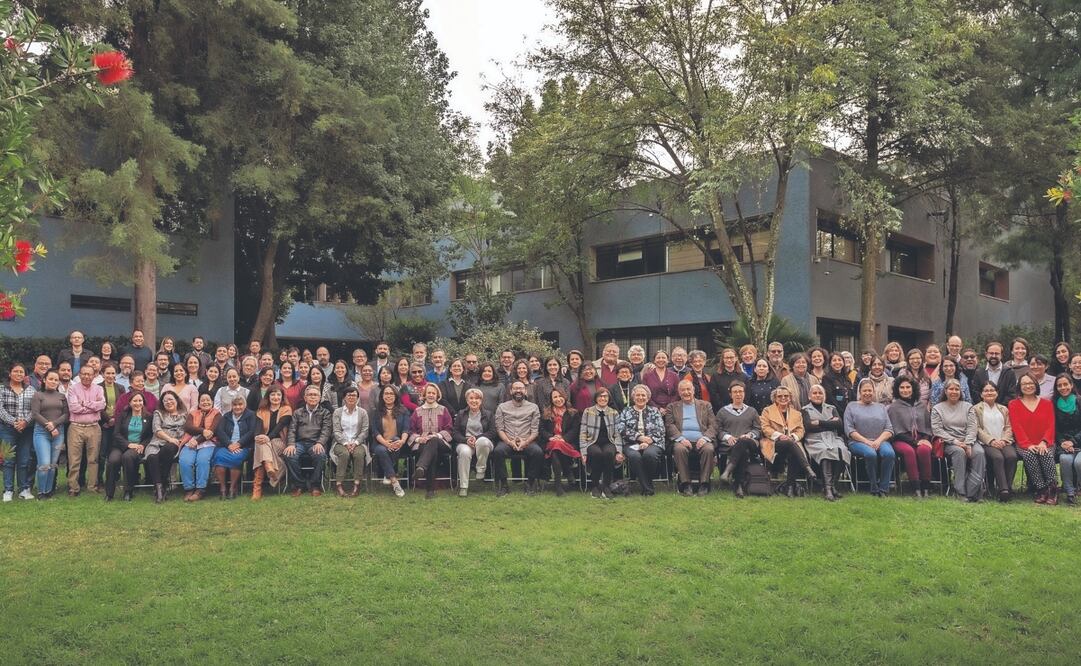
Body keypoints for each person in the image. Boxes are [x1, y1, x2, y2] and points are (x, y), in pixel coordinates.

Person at [1008, 372, 1058, 504]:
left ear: (1035, 385)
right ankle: (1041, 489)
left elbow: (1050, 425)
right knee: (1030, 455)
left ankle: (1052, 489)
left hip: (1046, 442)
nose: (1027, 386)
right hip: (1024, 443)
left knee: (1045, 453)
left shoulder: (1047, 403)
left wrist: (1044, 442)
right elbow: (1016, 427)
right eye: (1024, 383)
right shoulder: (1013, 404)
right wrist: (1028, 444)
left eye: (1030, 383)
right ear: (1019, 386)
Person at [932, 378, 984, 502]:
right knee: (959, 452)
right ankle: (960, 491)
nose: (954, 392)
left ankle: (974, 491)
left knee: (980, 453)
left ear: (961, 391)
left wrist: (968, 443)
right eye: (951, 389)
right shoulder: (937, 408)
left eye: (957, 389)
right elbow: (937, 430)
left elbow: (973, 427)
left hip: (968, 440)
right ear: (945, 391)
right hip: (949, 442)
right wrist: (955, 442)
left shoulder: (968, 407)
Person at [759, 385, 815, 497]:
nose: (783, 398)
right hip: (773, 442)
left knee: (793, 450)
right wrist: (780, 436)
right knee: (792, 445)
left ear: (790, 398)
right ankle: (807, 468)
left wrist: (793, 436)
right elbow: (765, 428)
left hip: (792, 442)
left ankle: (790, 487)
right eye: (780, 396)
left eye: (786, 396)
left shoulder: (797, 413)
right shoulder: (767, 411)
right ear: (775, 398)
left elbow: (800, 429)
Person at [844, 379, 895, 497]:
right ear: (860, 392)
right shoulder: (851, 406)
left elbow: (889, 429)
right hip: (857, 442)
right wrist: (867, 442)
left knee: (889, 454)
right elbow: (850, 430)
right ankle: (873, 486)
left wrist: (878, 441)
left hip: (879, 440)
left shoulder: (881, 407)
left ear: (874, 391)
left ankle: (884, 488)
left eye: (870, 390)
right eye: (864, 390)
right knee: (870, 454)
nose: (867, 393)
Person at [665, 380, 717, 496]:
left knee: (709, 449)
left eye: (689, 389)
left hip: (702, 439)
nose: (686, 392)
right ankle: (685, 483)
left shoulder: (705, 405)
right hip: (682, 440)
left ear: (693, 391)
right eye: (683, 390)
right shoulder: (672, 407)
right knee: (679, 449)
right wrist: (681, 439)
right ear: (679, 392)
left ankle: (704, 483)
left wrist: (705, 438)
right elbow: (669, 425)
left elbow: (713, 425)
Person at [492, 381, 543, 496]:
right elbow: (500, 429)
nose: (518, 391)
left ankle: (529, 483)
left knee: (538, 452)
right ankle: (504, 484)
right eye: (515, 388)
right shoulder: (502, 407)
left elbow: (535, 431)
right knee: (498, 452)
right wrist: (509, 442)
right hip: (507, 439)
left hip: (527, 440)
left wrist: (526, 441)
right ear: (511, 391)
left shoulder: (533, 407)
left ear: (525, 391)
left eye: (521, 388)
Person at [887, 377, 935, 498]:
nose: (905, 390)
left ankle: (926, 487)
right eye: (902, 387)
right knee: (909, 452)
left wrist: (924, 439)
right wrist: (915, 442)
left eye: (908, 387)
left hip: (920, 437)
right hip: (901, 439)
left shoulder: (921, 405)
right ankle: (916, 488)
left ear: (913, 388)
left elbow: (927, 426)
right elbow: (896, 431)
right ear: (897, 389)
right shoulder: (894, 407)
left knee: (924, 449)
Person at [802, 384, 850, 501]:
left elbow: (839, 424)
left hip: (833, 437)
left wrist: (819, 422)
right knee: (825, 451)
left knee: (842, 451)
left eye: (820, 393)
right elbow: (808, 426)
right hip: (814, 439)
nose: (817, 395)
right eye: (814, 393)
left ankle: (833, 486)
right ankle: (827, 488)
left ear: (824, 396)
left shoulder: (831, 408)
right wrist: (829, 423)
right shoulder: (805, 410)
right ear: (809, 396)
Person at [616, 384, 666, 496]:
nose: (640, 398)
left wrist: (648, 441)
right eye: (637, 395)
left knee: (650, 455)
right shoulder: (626, 411)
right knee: (635, 456)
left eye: (643, 395)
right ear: (633, 398)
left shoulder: (654, 411)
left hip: (653, 442)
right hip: (631, 443)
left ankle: (645, 484)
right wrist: (639, 437)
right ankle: (647, 487)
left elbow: (661, 429)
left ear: (648, 398)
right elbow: (621, 428)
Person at [715, 381, 762, 499]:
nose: (738, 394)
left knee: (743, 442)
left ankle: (727, 471)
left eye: (740, 391)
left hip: (750, 442)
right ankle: (739, 485)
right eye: (735, 392)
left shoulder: (752, 411)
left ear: (744, 394)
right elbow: (718, 430)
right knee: (743, 451)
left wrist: (749, 435)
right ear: (730, 394)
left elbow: (758, 429)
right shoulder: (722, 411)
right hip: (730, 444)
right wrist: (728, 437)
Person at [284, 385, 333, 497]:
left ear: (319, 398)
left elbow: (326, 430)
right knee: (289, 455)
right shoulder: (297, 412)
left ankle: (315, 485)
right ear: (305, 398)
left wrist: (320, 443)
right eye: (310, 395)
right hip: (300, 443)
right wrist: (291, 444)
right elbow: (292, 430)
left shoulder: (325, 413)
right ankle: (299, 484)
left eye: (315, 395)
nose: (312, 397)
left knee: (320, 455)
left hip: (316, 443)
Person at [106, 393, 154, 501]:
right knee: (113, 460)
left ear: (143, 402)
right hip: (120, 446)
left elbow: (151, 435)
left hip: (138, 447)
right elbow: (116, 434)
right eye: (135, 401)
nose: (138, 403)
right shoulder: (123, 415)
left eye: (140, 401)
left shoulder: (149, 417)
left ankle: (128, 491)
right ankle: (109, 493)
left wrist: (143, 445)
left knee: (127, 458)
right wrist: (128, 444)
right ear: (130, 403)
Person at [66, 365, 106, 496]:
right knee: (74, 459)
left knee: (93, 459)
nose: (86, 376)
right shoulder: (73, 388)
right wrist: (92, 406)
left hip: (94, 427)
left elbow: (102, 405)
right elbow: (73, 408)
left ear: (94, 375)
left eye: (89, 374)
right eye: (83, 374)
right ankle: (73, 487)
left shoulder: (99, 388)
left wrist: (84, 403)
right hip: (76, 427)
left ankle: (92, 486)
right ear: (79, 375)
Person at [578, 388, 623, 500]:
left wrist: (618, 451)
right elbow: (583, 432)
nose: (603, 398)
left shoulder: (614, 413)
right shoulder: (588, 411)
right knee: (596, 454)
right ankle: (595, 486)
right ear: (596, 398)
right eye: (600, 396)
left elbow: (617, 434)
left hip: (609, 442)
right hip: (592, 442)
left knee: (608, 454)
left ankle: (606, 486)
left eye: (605, 396)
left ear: (609, 399)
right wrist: (583, 452)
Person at [452, 388, 496, 497]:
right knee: (465, 452)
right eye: (471, 398)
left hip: (483, 442)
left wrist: (476, 438)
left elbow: (492, 432)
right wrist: (466, 440)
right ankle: (463, 486)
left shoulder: (488, 414)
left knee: (482, 441)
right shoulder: (461, 414)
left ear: (481, 401)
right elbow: (455, 433)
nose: (474, 401)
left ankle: (480, 469)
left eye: (477, 398)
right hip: (465, 442)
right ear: (467, 400)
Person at [29, 369, 67, 499]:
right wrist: (50, 426)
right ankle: (41, 492)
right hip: (41, 433)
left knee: (52, 464)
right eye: (50, 379)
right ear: (44, 380)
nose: (53, 381)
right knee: (44, 464)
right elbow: (35, 414)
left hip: (58, 433)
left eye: (56, 380)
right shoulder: (38, 395)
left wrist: (55, 424)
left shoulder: (62, 396)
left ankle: (48, 491)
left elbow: (67, 414)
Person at [0, 363, 35, 502]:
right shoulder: (2, 389)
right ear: (10, 373)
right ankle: (8, 490)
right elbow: (0, 410)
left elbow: (34, 410)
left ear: (25, 375)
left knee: (24, 460)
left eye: (21, 372)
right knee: (8, 460)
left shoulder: (31, 390)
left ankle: (23, 489)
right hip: (6, 429)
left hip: (26, 430)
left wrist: (25, 422)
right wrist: (14, 422)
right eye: (16, 371)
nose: (19, 374)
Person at [210, 396, 256, 500]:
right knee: (218, 458)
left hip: (243, 446)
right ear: (232, 406)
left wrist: (238, 444)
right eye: (235, 405)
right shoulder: (226, 416)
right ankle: (222, 488)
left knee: (236, 458)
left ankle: (232, 488)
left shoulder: (251, 415)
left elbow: (252, 432)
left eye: (240, 404)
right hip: (226, 446)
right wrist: (229, 444)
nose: (237, 407)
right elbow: (220, 432)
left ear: (245, 405)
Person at [539, 388, 581, 497]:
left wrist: (564, 438)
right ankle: (567, 471)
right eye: (555, 397)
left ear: (565, 397)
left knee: (555, 451)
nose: (558, 399)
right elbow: (542, 430)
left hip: (568, 442)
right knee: (555, 447)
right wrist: (550, 437)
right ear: (551, 400)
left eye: (560, 396)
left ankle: (558, 486)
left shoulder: (573, 413)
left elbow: (575, 430)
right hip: (551, 442)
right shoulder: (546, 413)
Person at [178, 392, 219, 502]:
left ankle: (200, 489)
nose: (205, 402)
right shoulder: (193, 413)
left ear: (212, 402)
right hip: (190, 441)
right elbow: (188, 427)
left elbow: (212, 431)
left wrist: (197, 440)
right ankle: (189, 488)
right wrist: (202, 431)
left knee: (202, 460)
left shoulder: (217, 414)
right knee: (185, 460)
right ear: (199, 403)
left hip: (208, 442)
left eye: (208, 400)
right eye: (203, 400)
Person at [252, 387, 291, 499]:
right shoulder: (261, 411)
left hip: (280, 441)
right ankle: (270, 466)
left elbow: (279, 427)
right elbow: (258, 428)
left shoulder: (286, 409)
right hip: (265, 442)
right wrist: (258, 437)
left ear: (282, 397)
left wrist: (267, 437)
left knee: (262, 446)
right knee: (261, 444)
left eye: (278, 395)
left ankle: (257, 488)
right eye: (273, 395)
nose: (276, 397)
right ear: (268, 397)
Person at [144, 390, 183, 503]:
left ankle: (162, 487)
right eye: (165, 400)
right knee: (152, 456)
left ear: (176, 400)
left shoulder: (184, 415)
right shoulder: (158, 413)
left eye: (171, 399)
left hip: (175, 443)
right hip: (157, 441)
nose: (168, 402)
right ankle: (160, 489)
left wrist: (174, 440)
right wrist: (169, 438)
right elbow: (156, 430)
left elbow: (185, 431)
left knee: (169, 448)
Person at [370, 385, 409, 497]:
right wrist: (385, 443)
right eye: (386, 393)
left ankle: (387, 475)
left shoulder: (403, 410)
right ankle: (394, 481)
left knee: (396, 440)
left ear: (396, 395)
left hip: (398, 442)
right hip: (380, 443)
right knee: (382, 450)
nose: (389, 396)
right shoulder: (376, 411)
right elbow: (375, 431)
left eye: (391, 393)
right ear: (382, 396)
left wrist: (402, 441)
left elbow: (406, 429)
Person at [331, 386, 369, 497]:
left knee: (358, 454)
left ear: (358, 398)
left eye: (354, 395)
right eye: (349, 395)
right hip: (340, 442)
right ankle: (339, 484)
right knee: (344, 453)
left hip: (358, 442)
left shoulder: (363, 412)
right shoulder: (337, 412)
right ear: (344, 397)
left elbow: (365, 430)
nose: (352, 397)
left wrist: (356, 443)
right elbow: (336, 431)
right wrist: (346, 443)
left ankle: (357, 484)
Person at [1052, 374, 1081, 505]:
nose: (1063, 387)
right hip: (1063, 443)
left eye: (1065, 384)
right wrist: (1063, 442)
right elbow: (1054, 427)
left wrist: (1073, 441)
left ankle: (1078, 488)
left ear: (1071, 385)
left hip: (1079, 441)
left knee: (1078, 463)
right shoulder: (1053, 404)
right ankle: (1069, 492)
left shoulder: (1079, 401)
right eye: (1059, 385)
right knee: (1065, 460)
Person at [972, 341, 1018, 405]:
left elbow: (1012, 394)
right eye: (991, 353)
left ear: (1001, 355)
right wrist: (985, 408)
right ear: (986, 354)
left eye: (996, 353)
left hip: (1003, 411)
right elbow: (975, 393)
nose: (993, 356)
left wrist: (998, 408)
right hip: (983, 411)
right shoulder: (979, 372)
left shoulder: (1009, 373)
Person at [709, 348, 744, 413]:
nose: (729, 360)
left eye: (731, 357)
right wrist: (726, 409)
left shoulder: (743, 377)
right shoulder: (715, 377)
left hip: (740, 412)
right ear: (723, 359)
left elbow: (747, 396)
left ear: (736, 358)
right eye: (726, 358)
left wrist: (738, 408)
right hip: (721, 412)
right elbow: (714, 396)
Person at [822, 352, 854, 417]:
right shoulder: (826, 378)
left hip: (850, 414)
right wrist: (843, 412)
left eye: (839, 360)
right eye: (834, 360)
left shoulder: (847, 378)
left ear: (843, 362)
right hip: (836, 414)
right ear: (830, 364)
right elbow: (830, 399)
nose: (837, 362)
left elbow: (852, 396)